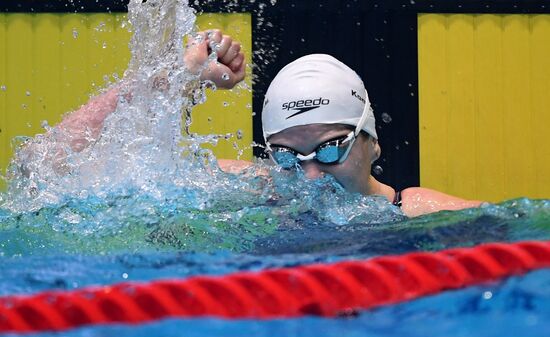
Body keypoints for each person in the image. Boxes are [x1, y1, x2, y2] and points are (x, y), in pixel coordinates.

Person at [18, 29, 481, 217]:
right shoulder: (253, 189)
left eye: (330, 147)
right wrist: (176, 77)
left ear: (372, 142)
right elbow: (41, 166)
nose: (311, 175)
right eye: (286, 156)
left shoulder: (414, 209)